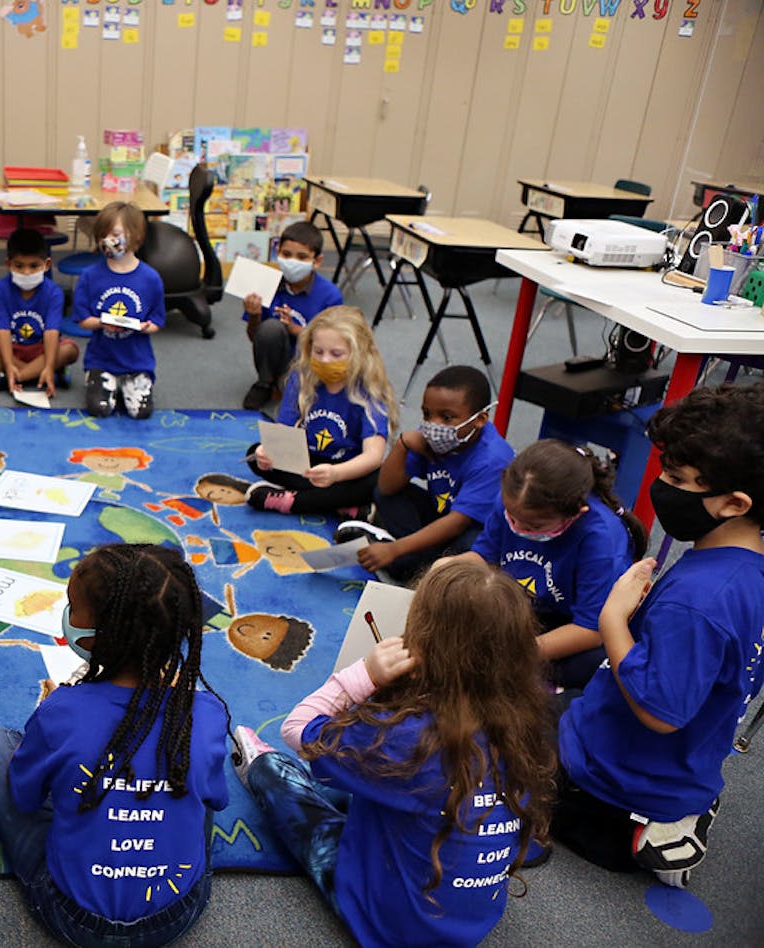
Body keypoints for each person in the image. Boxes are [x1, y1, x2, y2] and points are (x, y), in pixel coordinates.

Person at [233, 557, 555, 947]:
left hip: (390, 926)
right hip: (471, 923)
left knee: (285, 785)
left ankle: (258, 764)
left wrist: (364, 675)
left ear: (424, 640)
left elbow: (297, 730)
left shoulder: (410, 739)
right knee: (393, 787)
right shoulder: (528, 720)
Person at [554, 384, 764, 888]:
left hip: (609, 786)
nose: (659, 484)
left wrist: (612, 621)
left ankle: (650, 833)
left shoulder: (699, 601)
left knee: (479, 735)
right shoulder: (742, 567)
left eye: (675, 477)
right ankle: (680, 804)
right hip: (668, 759)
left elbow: (658, 712)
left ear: (734, 502)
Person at [0, 544, 229, 946]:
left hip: (74, 919)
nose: (67, 618)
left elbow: (24, 798)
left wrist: (59, 722)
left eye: (73, 609)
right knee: (190, 775)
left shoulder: (61, 710)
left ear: (102, 636)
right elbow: (216, 799)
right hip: (177, 913)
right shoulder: (207, 712)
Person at [457, 439, 645, 688]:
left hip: (574, 626)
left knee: (592, 663)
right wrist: (446, 572)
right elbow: (482, 556)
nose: (518, 528)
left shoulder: (600, 538)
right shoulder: (513, 499)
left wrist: (519, 654)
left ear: (576, 513)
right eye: (512, 518)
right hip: (527, 607)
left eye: (534, 526)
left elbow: (591, 630)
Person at [336, 365, 514, 581]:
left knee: (468, 545)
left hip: (472, 533)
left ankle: (410, 563)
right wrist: (402, 445)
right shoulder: (432, 435)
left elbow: (457, 523)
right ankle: (413, 561)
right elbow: (386, 487)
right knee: (387, 494)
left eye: (447, 418)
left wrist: (395, 550)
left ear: (480, 419)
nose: (433, 425)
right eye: (427, 414)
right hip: (441, 515)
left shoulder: (493, 458)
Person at [245, 306, 395, 517]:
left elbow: (373, 455)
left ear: (359, 353)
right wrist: (268, 451)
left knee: (379, 478)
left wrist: (336, 473)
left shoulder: (369, 388)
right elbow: (284, 431)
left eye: (336, 354)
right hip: (307, 464)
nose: (325, 360)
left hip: (348, 470)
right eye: (318, 351)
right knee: (254, 453)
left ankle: (293, 502)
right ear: (309, 348)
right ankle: (342, 505)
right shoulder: (302, 375)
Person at [73, 202, 165, 419]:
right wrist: (102, 322)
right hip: (101, 359)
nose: (108, 241)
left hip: (137, 360)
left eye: (114, 234)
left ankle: (130, 383)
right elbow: (82, 319)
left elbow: (157, 321)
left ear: (136, 235)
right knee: (99, 409)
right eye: (103, 235)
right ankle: (102, 381)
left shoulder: (150, 278)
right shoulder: (90, 275)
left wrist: (145, 327)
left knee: (140, 413)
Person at [241, 220, 344, 412]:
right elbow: (256, 338)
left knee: (301, 402)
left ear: (317, 261)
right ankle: (265, 383)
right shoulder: (267, 284)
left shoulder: (330, 296)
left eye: (302, 257)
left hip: (311, 364)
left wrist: (295, 329)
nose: (293, 262)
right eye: (286, 254)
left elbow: (335, 347)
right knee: (270, 327)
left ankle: (291, 386)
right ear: (277, 252)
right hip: (279, 358)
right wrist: (254, 316)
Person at [0, 228, 80, 397]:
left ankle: (15, 377)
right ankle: (39, 374)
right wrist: (9, 364)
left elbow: (52, 332)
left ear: (47, 265)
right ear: (9, 265)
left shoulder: (54, 292)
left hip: (41, 349)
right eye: (19, 266)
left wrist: (49, 364)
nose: (26, 272)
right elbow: (3, 330)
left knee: (70, 350)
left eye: (34, 266)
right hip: (11, 350)